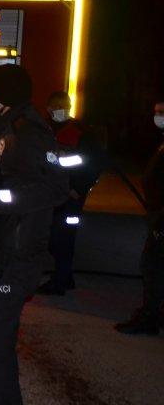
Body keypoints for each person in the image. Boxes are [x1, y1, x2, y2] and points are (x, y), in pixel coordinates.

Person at [0, 64, 68, 405]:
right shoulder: (10, 126)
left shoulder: (29, 132)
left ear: (2, 93)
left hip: (16, 256)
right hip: (3, 250)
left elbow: (56, 187)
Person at [39, 91, 105, 295]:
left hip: (71, 196)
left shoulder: (81, 132)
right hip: (50, 194)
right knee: (51, 238)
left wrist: (79, 189)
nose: (61, 109)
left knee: (64, 238)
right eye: (56, 105)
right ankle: (65, 277)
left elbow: (95, 163)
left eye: (64, 104)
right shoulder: (44, 129)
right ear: (49, 108)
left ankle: (60, 281)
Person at [115, 99, 164, 335]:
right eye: (156, 112)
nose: (157, 117)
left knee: (153, 267)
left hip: (162, 220)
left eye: (161, 112)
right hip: (157, 216)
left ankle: (150, 317)